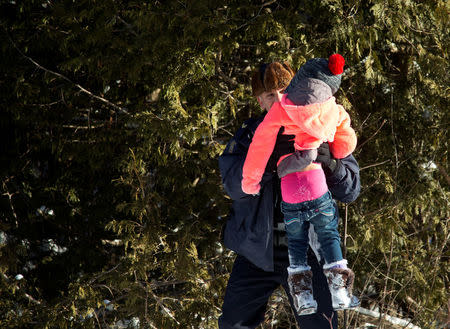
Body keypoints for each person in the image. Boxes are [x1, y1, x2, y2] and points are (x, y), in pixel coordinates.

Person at [218, 60, 361, 329]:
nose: (280, 98)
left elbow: (351, 190)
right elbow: (233, 186)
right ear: (260, 101)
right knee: (232, 324)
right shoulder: (249, 137)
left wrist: (330, 162)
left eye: (285, 89)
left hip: (310, 250)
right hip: (257, 250)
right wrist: (270, 161)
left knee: (321, 326)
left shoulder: (321, 127)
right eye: (271, 95)